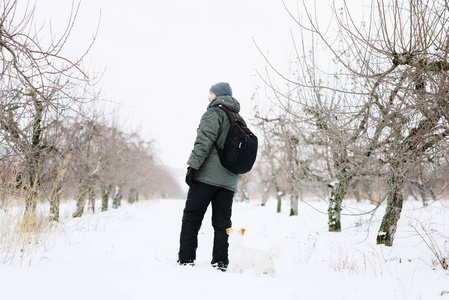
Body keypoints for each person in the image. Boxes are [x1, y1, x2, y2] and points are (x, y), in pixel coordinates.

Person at [178, 82, 242, 272]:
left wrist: (193, 167)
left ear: (218, 96)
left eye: (211, 93)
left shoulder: (213, 114)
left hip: (207, 178)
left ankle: (186, 260)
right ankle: (220, 262)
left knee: (192, 217)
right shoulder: (238, 119)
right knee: (223, 223)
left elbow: (203, 140)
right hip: (229, 181)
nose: (208, 97)